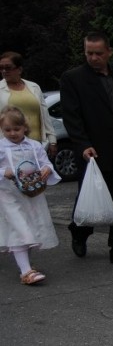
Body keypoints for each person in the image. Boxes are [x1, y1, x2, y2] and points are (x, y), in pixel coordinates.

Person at [61, 31, 113, 265]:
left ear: (109, 52)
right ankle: (79, 232)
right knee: (90, 197)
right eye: (89, 53)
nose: (94, 57)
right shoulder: (73, 78)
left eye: (98, 53)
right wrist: (82, 144)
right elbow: (72, 116)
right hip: (93, 150)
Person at [0, 106, 60, 285]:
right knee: (19, 228)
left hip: (31, 193)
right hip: (8, 194)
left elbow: (45, 162)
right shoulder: (1, 147)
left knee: (31, 227)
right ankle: (26, 271)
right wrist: (5, 171)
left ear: (24, 127)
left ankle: (25, 264)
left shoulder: (34, 145)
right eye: (7, 130)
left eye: (16, 129)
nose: (12, 133)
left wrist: (47, 169)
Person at [0, 51, 58, 157]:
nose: (4, 71)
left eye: (8, 67)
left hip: (37, 145)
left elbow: (45, 115)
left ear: (19, 69)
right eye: (1, 68)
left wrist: (52, 140)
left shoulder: (34, 87)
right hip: (8, 147)